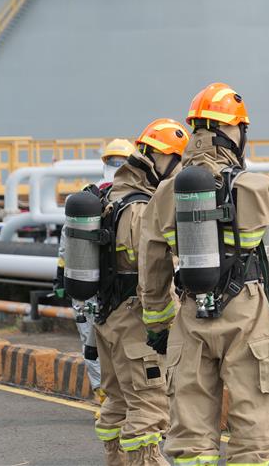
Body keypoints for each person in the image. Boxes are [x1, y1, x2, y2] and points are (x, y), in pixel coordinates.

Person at [138, 82, 269, 466]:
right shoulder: (258, 185)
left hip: (190, 313)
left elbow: (152, 267)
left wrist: (158, 324)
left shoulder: (165, 193)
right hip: (246, 313)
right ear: (233, 132)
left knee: (190, 436)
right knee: (252, 429)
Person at [93, 119, 189, 466]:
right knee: (148, 405)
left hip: (106, 318)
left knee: (117, 400)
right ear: (163, 159)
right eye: (178, 162)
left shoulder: (110, 196)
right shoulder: (140, 208)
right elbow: (149, 268)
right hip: (135, 321)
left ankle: (116, 460)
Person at [55, 138, 136, 405]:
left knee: (92, 342)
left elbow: (66, 243)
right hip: (121, 286)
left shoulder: (86, 198)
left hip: (87, 282)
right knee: (123, 343)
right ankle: (120, 397)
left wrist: (60, 277)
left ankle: (105, 396)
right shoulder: (135, 199)